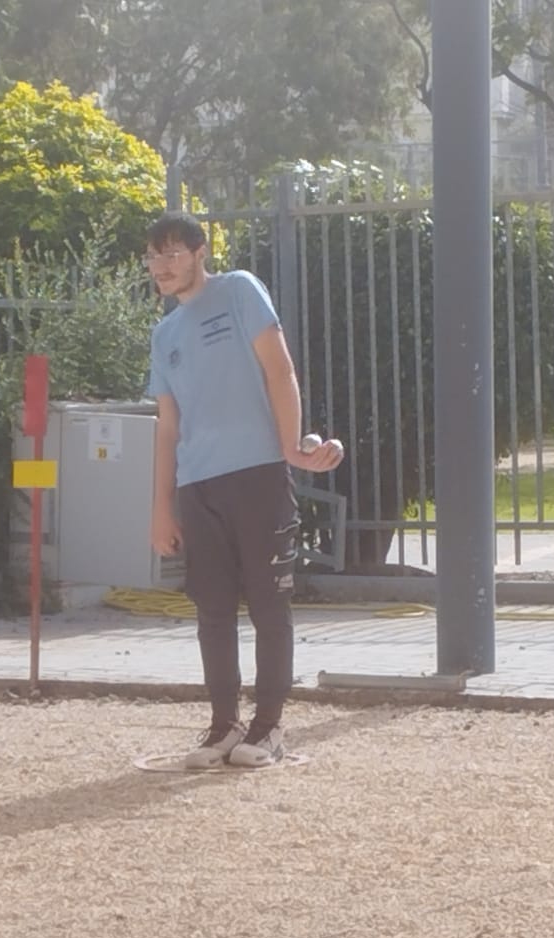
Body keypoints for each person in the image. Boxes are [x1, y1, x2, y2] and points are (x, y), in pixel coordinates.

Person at [144, 211, 343, 770]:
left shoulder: (239, 290)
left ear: (200, 253)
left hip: (257, 473)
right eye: (154, 256)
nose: (162, 266)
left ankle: (269, 726)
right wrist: (161, 507)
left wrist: (291, 447)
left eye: (173, 253)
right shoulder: (164, 334)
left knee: (267, 604)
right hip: (197, 484)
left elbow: (280, 371)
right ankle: (223, 726)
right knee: (212, 610)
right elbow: (168, 425)